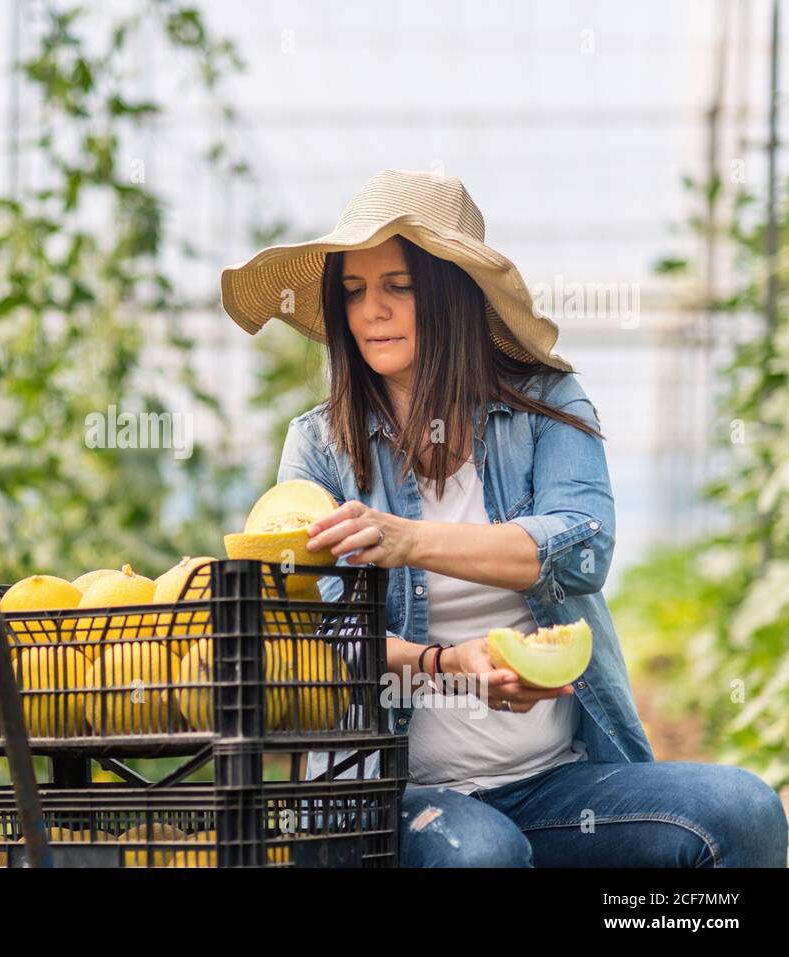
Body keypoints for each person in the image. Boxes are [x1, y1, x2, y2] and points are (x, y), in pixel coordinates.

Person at [219, 168, 788, 867]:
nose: (372, 309)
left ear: (454, 295)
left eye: (399, 286)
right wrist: (445, 663)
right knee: (482, 854)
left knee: (743, 811)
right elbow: (320, 640)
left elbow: (582, 546)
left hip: (552, 785)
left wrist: (409, 539)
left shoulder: (548, 406)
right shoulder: (319, 446)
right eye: (355, 290)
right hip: (396, 795)